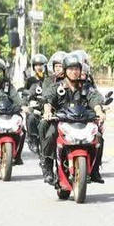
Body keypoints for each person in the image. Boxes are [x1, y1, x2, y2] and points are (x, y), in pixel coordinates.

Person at [41, 53, 107, 186]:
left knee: (98, 137)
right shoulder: (57, 87)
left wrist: (99, 111)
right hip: (62, 122)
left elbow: (94, 99)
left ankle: (95, 170)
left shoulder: (86, 86)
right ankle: (47, 166)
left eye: (76, 69)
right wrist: (47, 111)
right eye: (71, 69)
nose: (74, 72)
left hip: (83, 122)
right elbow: (48, 100)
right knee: (50, 134)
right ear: (65, 70)